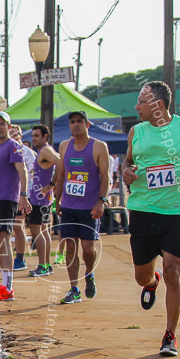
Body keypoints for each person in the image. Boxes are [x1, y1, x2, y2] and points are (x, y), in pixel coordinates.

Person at [122, 81, 180, 357]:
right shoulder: (136, 132)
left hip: (175, 212)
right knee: (141, 276)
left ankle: (170, 335)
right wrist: (126, 171)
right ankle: (151, 282)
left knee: (173, 270)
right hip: (142, 211)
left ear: (157, 105)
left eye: (141, 102)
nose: (136, 107)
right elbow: (127, 161)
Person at [52, 111, 110, 304]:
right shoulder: (64, 146)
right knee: (70, 247)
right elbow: (61, 174)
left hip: (89, 207)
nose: (75, 125)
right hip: (69, 205)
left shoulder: (99, 147)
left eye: (79, 122)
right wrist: (57, 199)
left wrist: (101, 200)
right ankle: (74, 289)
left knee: (87, 249)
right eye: (72, 122)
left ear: (87, 124)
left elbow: (105, 176)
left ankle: (89, 273)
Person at [0, 112, 31, 301]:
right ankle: (4, 284)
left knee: (3, 240)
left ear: (9, 127)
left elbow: (23, 170)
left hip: (7, 199)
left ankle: (8, 287)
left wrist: (24, 195)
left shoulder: (13, 146)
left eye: (2, 124)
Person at [26, 124, 59, 277]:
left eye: (36, 136)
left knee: (37, 230)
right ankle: (46, 265)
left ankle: (43, 265)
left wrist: (52, 184)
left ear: (45, 137)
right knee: (44, 231)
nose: (33, 139)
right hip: (43, 197)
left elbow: (61, 163)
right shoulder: (44, 150)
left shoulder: (46, 150)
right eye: (32, 136)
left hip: (39, 198)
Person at [8, 124, 34, 272]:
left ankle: (20, 258)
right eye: (10, 135)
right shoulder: (6, 149)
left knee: (19, 225)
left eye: (15, 135)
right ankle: (16, 254)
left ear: (21, 136)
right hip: (8, 194)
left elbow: (29, 175)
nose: (13, 138)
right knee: (12, 226)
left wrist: (25, 195)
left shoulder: (27, 153)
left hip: (22, 195)